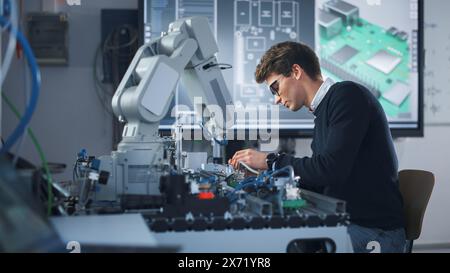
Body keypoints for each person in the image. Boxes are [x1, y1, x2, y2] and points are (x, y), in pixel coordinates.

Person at [229, 41, 406, 253]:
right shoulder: (324, 111)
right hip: (350, 223)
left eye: (275, 87)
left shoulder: (348, 96)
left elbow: (330, 170)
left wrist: (269, 161)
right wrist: (263, 180)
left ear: (296, 71)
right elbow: (320, 178)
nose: (276, 99)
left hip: (374, 232)